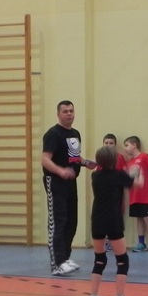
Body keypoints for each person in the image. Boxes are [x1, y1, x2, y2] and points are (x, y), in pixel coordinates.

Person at [41, 101, 95, 276]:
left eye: (71, 111)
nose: (69, 114)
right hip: (55, 182)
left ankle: (65, 258)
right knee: (58, 221)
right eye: (65, 111)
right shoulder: (53, 134)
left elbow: (74, 156)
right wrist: (60, 171)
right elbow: (45, 159)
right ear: (58, 114)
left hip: (71, 182)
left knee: (71, 221)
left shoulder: (74, 133)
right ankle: (56, 263)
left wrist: (86, 162)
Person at [88, 146, 140, 296]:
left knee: (99, 260)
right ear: (115, 160)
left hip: (97, 220)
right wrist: (136, 173)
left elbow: (99, 170)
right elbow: (138, 184)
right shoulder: (119, 175)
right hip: (113, 221)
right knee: (122, 260)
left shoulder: (95, 176)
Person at [123, 136, 148, 253]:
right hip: (134, 196)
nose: (125, 148)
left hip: (145, 194)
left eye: (127, 145)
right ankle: (141, 243)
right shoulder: (129, 162)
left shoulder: (144, 157)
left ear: (134, 145)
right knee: (139, 219)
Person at [100, 134, 126, 252]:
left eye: (111, 143)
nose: (108, 145)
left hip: (116, 192)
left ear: (115, 145)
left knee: (116, 216)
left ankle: (114, 240)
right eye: (106, 143)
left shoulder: (120, 158)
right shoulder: (101, 158)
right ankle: (105, 240)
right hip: (104, 192)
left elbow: (123, 173)